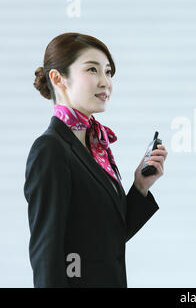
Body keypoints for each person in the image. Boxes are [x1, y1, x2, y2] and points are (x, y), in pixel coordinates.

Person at [24, 32, 167, 287]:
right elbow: (46, 255)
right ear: (58, 79)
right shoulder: (51, 149)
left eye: (108, 72)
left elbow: (107, 239)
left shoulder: (95, 149)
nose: (105, 82)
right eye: (92, 70)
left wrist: (140, 187)